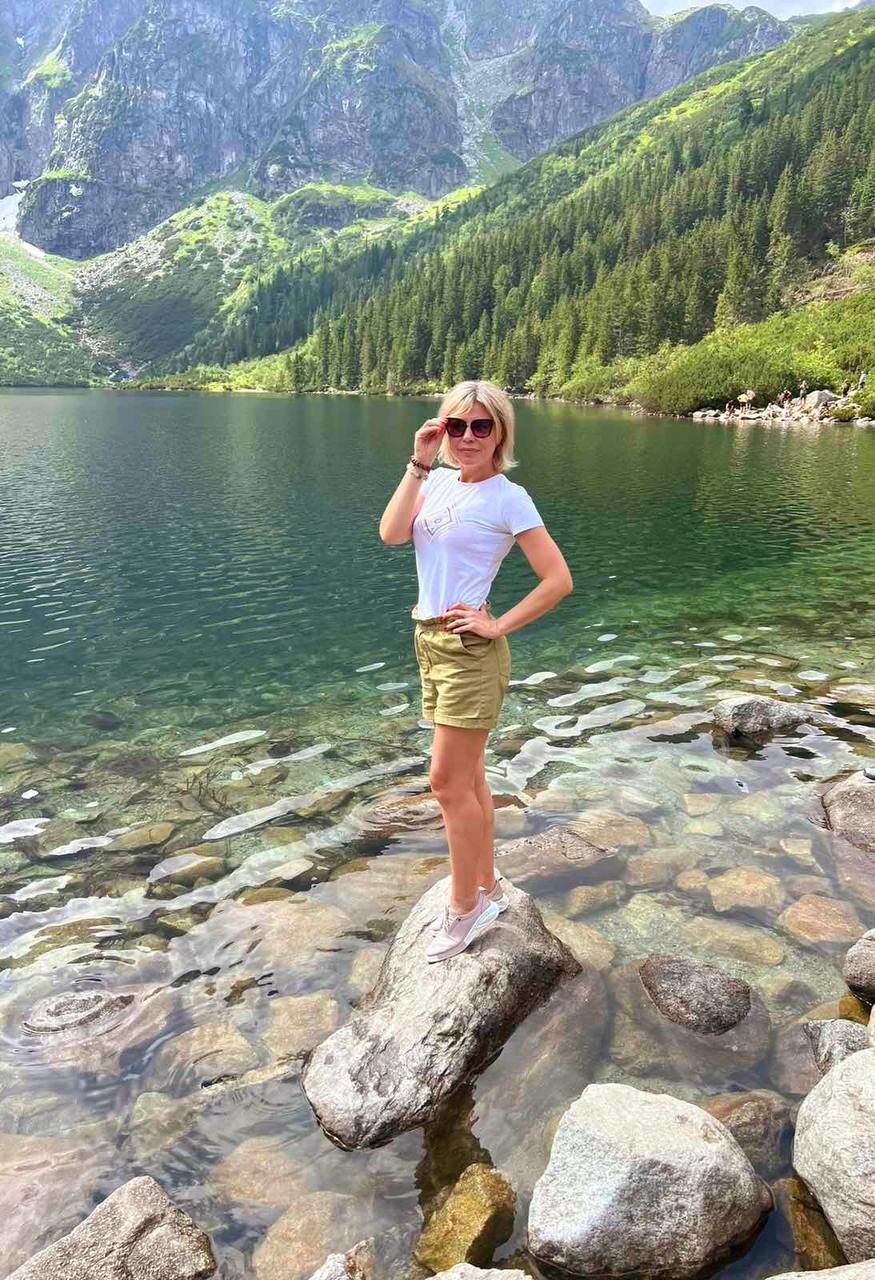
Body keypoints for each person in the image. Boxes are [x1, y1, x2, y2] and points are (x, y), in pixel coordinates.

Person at [378, 380, 573, 962]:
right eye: (456, 425)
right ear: (442, 429)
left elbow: (558, 580)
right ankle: (486, 886)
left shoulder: (509, 498)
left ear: (500, 433)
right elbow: (391, 534)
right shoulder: (435, 480)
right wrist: (418, 462)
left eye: (481, 426)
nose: (468, 437)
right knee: (471, 781)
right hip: (429, 642)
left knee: (445, 784)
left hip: (468, 652)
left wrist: (499, 624)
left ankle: (464, 909)